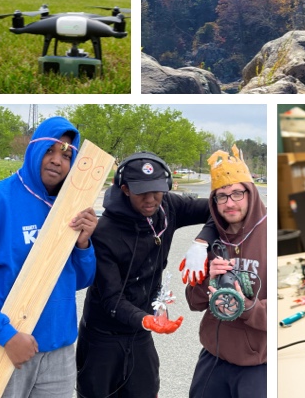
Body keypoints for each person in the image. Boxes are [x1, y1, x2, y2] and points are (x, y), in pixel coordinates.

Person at [0, 117, 100, 398]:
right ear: (34, 149)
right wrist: (5, 335)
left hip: (59, 349)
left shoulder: (69, 207)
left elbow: (81, 280)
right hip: (7, 347)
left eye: (66, 154)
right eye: (50, 150)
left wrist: (83, 243)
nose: (57, 160)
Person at [78, 153, 213, 397]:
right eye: (142, 193)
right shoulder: (105, 231)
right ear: (125, 189)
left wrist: (203, 242)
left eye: (157, 191)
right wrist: (147, 319)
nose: (151, 200)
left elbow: (220, 208)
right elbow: (111, 298)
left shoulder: (169, 206)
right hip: (103, 336)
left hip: (139, 335)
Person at [184, 146, 268, 398]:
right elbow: (193, 302)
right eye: (221, 196)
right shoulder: (212, 242)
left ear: (251, 194)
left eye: (237, 194)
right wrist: (205, 279)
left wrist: (246, 306)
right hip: (213, 357)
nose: (229, 203)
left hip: (257, 367)